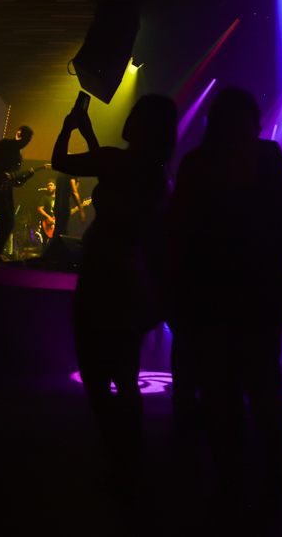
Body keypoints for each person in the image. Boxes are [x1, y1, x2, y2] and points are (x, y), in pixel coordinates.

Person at [165, 86, 282, 503]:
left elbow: (178, 230)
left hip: (208, 293)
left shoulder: (196, 162)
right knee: (263, 380)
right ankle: (272, 465)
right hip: (257, 291)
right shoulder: (268, 156)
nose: (259, 125)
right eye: (254, 117)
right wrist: (274, 272)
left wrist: (174, 289)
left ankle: (229, 475)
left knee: (218, 387)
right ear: (243, 119)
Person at [51, 94, 178, 494]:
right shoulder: (159, 174)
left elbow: (61, 160)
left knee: (94, 376)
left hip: (101, 273)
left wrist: (70, 127)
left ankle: (120, 459)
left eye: (136, 112)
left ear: (142, 124)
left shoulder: (115, 161)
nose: (129, 115)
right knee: (125, 377)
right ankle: (129, 463)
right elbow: (110, 171)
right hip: (133, 276)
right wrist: (90, 136)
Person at [0, 126, 37, 261]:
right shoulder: (6, 144)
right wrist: (0, 172)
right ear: (18, 134)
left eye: (28, 141)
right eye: (26, 139)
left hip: (6, 189)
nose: (26, 143)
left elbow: (14, 181)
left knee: (9, 222)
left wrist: (26, 178)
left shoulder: (19, 155)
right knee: (6, 220)